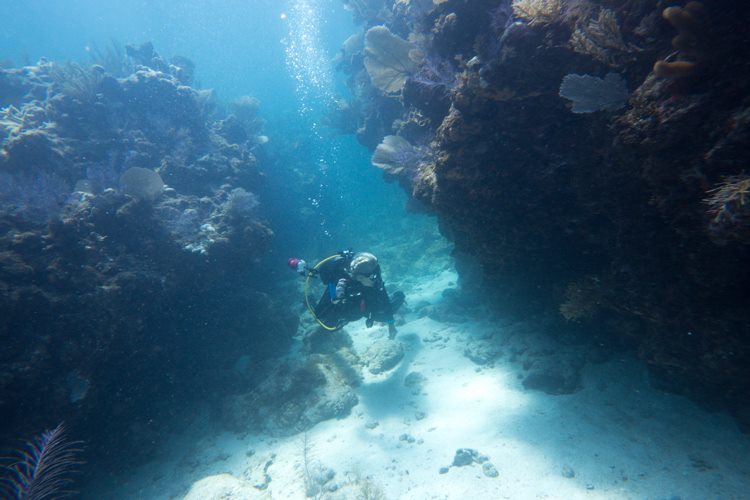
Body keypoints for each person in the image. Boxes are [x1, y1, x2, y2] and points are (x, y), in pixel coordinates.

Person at [288, 250, 405, 339]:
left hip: (364, 299)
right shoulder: (337, 271)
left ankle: (399, 296)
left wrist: (391, 324)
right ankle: (309, 299)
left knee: (382, 315)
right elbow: (322, 279)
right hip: (342, 294)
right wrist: (337, 295)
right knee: (322, 318)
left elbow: (383, 296)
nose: (353, 276)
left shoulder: (372, 271)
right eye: (353, 274)